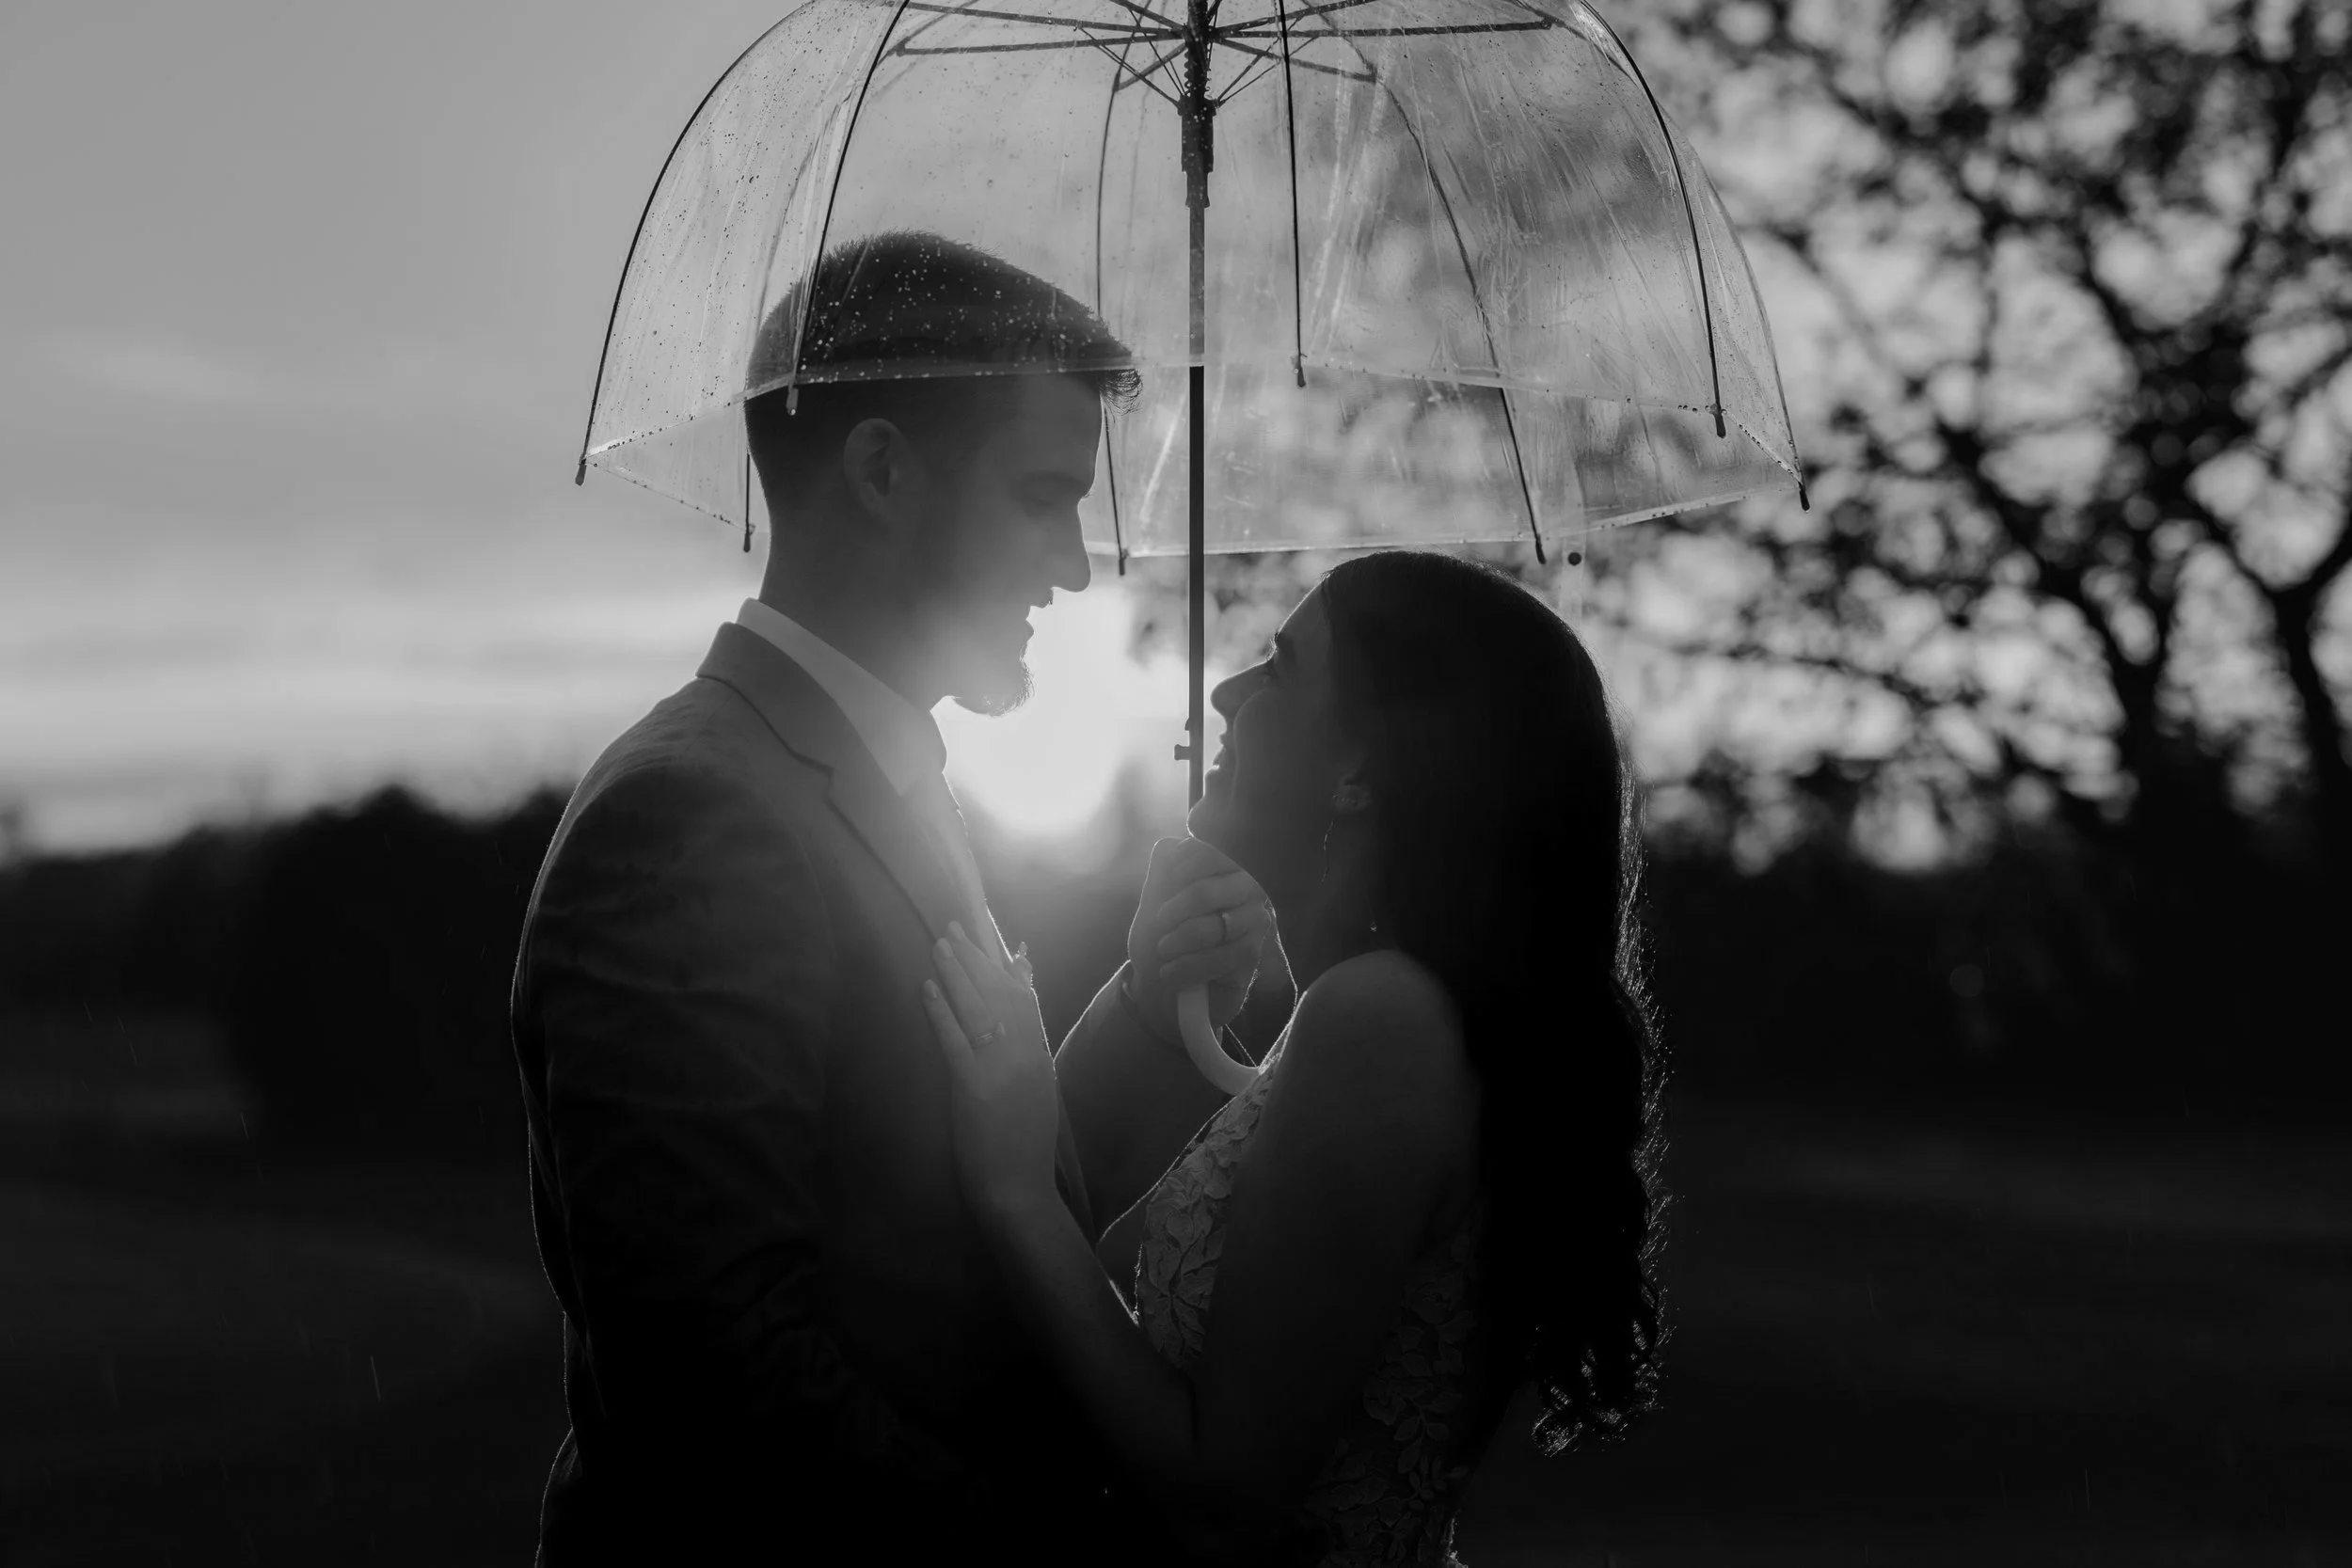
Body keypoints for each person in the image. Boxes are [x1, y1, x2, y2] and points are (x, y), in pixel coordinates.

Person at [507, 231, 1272, 1563]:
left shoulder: (889, 777)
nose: (1077, 565)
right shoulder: (695, 820)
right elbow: (719, 1395)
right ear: (880, 471)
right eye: (1043, 495)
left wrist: (1149, 1007)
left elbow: (942, 1181)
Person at [923, 550, 1668, 1565]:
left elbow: (1222, 1497)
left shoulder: (1379, 1017)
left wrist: (1014, 1189)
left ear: (1360, 772)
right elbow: (1123, 1304)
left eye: (1277, 666)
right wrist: (1153, 1001)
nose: (1227, 690)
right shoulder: (1366, 1006)